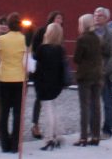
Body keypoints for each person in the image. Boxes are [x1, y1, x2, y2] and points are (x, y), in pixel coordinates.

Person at [0, 12, 28, 154]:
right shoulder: (24, 39)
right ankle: (15, 144)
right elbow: (27, 59)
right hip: (19, 77)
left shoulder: (1, 39)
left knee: (4, 111)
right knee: (18, 113)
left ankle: (5, 143)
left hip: (4, 77)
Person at [32, 22, 68, 150]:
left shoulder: (42, 49)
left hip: (44, 84)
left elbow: (34, 65)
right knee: (55, 109)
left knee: (47, 111)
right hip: (56, 84)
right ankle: (58, 135)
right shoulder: (60, 50)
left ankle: (49, 138)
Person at [28, 11, 63, 139]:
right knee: (44, 103)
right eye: (58, 18)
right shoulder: (41, 33)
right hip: (45, 77)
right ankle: (37, 125)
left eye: (61, 18)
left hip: (46, 78)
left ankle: (51, 134)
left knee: (49, 106)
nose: (59, 20)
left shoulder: (57, 44)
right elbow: (35, 52)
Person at [73, 13, 103, 146]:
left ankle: (83, 137)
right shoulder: (97, 38)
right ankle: (96, 136)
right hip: (97, 74)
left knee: (84, 106)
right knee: (96, 106)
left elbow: (77, 58)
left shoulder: (82, 39)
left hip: (85, 75)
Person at [93, 7, 112, 139]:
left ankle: (107, 130)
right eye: (95, 15)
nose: (97, 17)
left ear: (106, 18)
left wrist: (104, 71)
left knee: (107, 102)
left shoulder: (111, 34)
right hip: (91, 72)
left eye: (100, 15)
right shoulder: (90, 33)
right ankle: (93, 128)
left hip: (105, 73)